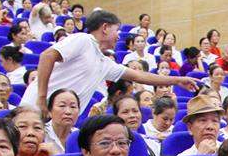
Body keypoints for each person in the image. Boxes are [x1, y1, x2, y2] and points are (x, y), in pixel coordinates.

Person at [22, 10, 197, 117]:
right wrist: (42, 98)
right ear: (105, 28)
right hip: (36, 108)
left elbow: (140, 76)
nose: (119, 36)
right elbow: (47, 56)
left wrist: (177, 80)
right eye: (116, 30)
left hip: (59, 117)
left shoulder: (104, 62)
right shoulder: (83, 40)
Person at [43, 87, 79, 153]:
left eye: (73, 107)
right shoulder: (41, 133)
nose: (68, 112)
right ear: (49, 111)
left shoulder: (80, 136)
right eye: (62, 106)